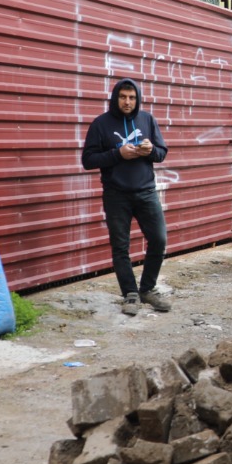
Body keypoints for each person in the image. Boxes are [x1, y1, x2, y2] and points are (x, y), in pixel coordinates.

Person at [82, 79, 171, 314]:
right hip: (116, 194)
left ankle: (147, 289)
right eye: (123, 97)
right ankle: (130, 294)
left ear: (137, 99)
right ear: (115, 98)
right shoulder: (100, 124)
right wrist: (117, 154)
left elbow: (162, 153)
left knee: (159, 239)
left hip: (146, 191)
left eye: (132, 97)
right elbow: (88, 160)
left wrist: (150, 150)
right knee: (120, 246)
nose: (127, 102)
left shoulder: (147, 120)